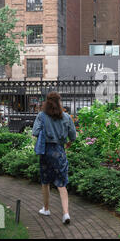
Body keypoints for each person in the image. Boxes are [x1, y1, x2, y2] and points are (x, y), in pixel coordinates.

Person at [32, 92, 76, 225]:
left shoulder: (41, 116)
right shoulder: (67, 117)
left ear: (46, 102)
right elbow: (73, 136)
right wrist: (68, 143)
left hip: (45, 152)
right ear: (59, 102)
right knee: (62, 184)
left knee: (45, 182)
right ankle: (66, 213)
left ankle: (46, 209)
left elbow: (35, 132)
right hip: (59, 151)